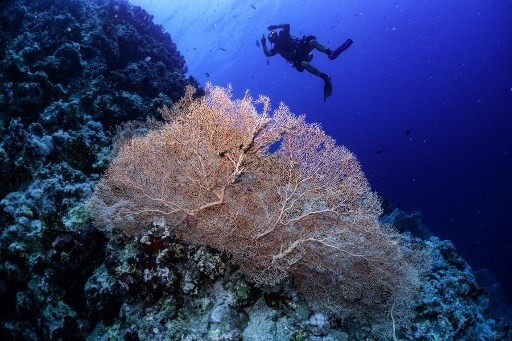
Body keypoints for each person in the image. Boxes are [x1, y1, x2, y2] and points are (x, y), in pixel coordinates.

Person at [261, 24, 353, 101]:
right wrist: (263, 43)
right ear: (272, 41)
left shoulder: (283, 34)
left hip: (301, 47)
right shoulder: (276, 48)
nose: (275, 38)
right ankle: (325, 77)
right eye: (273, 38)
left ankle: (330, 53)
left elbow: (287, 25)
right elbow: (268, 54)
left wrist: (275, 27)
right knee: (304, 64)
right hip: (298, 58)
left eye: (274, 35)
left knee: (313, 42)